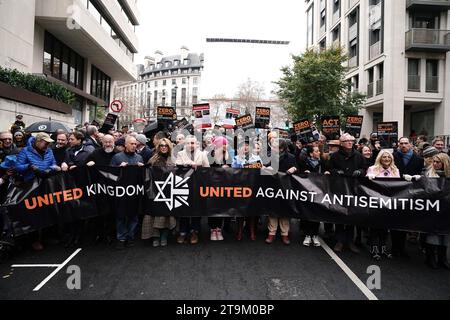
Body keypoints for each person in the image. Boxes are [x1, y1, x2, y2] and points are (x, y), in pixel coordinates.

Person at [15, 132, 61, 251]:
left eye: (49, 143)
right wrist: (30, 166)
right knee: (33, 212)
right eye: (45, 143)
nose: (47, 145)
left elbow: (53, 163)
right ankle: (34, 240)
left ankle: (47, 236)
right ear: (38, 141)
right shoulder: (25, 151)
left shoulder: (49, 151)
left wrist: (51, 169)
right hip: (31, 185)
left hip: (46, 183)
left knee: (48, 209)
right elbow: (18, 166)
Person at [330, 133, 366, 254]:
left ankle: (349, 241)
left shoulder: (359, 156)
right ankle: (339, 241)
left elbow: (364, 168)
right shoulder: (334, 156)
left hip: (353, 189)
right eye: (347, 141)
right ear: (341, 143)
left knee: (351, 215)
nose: (350, 142)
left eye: (351, 140)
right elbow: (329, 168)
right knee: (340, 214)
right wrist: (336, 171)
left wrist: (360, 172)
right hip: (339, 189)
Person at [111, 136, 144, 249]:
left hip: (134, 192)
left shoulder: (139, 157)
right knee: (121, 216)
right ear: (125, 144)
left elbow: (143, 176)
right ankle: (121, 238)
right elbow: (110, 174)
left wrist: (142, 168)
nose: (134, 146)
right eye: (131, 144)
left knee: (133, 216)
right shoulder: (117, 157)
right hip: (121, 192)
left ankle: (130, 236)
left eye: (135, 144)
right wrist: (119, 168)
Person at [175, 135, 210, 245]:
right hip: (184, 186)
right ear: (185, 144)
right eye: (189, 143)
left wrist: (199, 167)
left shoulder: (202, 154)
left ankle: (195, 231)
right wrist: (189, 163)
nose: (191, 145)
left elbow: (207, 169)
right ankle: (183, 232)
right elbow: (177, 166)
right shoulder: (180, 154)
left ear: (197, 144)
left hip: (197, 186)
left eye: (193, 143)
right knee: (183, 209)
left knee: (196, 209)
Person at [142, 138, 176, 247]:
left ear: (169, 147)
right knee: (153, 216)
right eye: (161, 145)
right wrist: (150, 191)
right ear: (158, 147)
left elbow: (178, 175)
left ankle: (164, 237)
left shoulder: (174, 160)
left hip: (168, 192)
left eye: (166, 145)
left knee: (166, 216)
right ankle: (155, 237)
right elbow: (147, 176)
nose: (163, 147)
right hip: (155, 191)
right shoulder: (152, 160)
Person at [393, 137, 424, 258]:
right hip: (395, 193)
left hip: (411, 194)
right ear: (398, 145)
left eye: (406, 143)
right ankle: (395, 248)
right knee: (395, 222)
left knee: (405, 222)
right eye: (401, 143)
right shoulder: (393, 157)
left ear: (410, 145)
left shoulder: (418, 159)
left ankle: (402, 248)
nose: (403, 145)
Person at [366, 150, 400, 260]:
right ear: (380, 158)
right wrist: (368, 177)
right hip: (376, 203)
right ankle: (374, 250)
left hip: (389, 203)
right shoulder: (372, 169)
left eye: (389, 157)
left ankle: (383, 249)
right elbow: (366, 187)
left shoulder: (395, 170)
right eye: (384, 157)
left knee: (385, 229)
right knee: (375, 228)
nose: (386, 159)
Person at [265, 139, 297, 245]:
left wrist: (294, 168)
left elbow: (297, 167)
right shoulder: (269, 156)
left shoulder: (291, 157)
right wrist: (266, 168)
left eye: (274, 147)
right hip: (272, 187)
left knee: (285, 210)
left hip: (286, 187)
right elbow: (263, 167)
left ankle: (285, 234)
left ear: (282, 148)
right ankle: (271, 233)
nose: (272, 149)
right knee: (272, 210)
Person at [422, 153, 450, 269]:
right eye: (434, 161)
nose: (435, 164)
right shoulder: (427, 174)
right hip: (432, 208)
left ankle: (442, 259)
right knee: (432, 234)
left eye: (438, 162)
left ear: (445, 163)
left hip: (446, 210)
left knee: (445, 234)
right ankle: (430, 258)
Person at [298, 145, 329, 247]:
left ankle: (315, 235)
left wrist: (327, 172)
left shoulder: (322, 163)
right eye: (316, 151)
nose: (319, 153)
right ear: (311, 154)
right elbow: (299, 174)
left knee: (317, 213)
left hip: (319, 192)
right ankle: (307, 235)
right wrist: (304, 173)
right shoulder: (304, 163)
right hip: (307, 191)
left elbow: (329, 171)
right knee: (308, 212)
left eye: (318, 151)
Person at [231, 139, 262, 241]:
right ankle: (239, 230)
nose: (245, 148)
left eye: (247, 146)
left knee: (252, 210)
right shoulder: (236, 158)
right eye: (243, 146)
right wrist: (240, 159)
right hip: (241, 187)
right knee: (241, 210)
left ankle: (252, 230)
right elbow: (233, 172)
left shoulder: (257, 158)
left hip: (253, 187)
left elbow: (260, 171)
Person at [208, 136, 231, 242]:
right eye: (222, 144)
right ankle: (212, 229)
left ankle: (218, 229)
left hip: (224, 186)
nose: (224, 146)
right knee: (213, 208)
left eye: (225, 144)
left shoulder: (227, 155)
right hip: (212, 186)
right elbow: (207, 170)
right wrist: (221, 169)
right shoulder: (210, 155)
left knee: (222, 208)